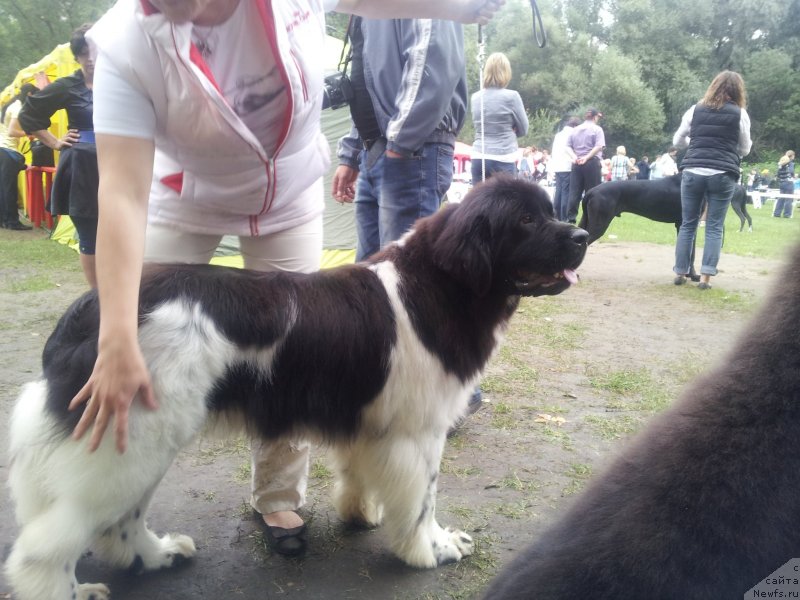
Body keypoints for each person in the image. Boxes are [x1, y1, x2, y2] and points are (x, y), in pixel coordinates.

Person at [72, 0, 502, 560]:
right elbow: (121, 195)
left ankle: (277, 496)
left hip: (288, 198)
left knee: (304, 354)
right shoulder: (123, 45)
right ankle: (112, 518)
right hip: (184, 199)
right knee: (144, 361)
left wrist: (464, 7)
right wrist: (116, 337)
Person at [332, 16, 484, 425]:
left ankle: (443, 395)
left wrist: (401, 141)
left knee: (417, 284)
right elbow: (364, 78)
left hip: (411, 147)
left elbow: (433, 61)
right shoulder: (366, 7)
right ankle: (379, 384)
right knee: (371, 282)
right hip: (378, 146)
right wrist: (352, 153)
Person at [19, 25, 98, 286]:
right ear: (76, 56)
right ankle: (98, 297)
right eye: (84, 53)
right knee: (89, 237)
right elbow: (28, 115)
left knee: (121, 234)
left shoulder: (121, 82)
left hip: (118, 167)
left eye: (96, 51)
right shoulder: (68, 85)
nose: (92, 58)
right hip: (82, 169)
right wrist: (54, 142)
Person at [672, 70, 751, 290]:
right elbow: (745, 149)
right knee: (714, 226)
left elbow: (677, 140)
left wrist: (696, 144)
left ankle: (680, 272)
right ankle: (706, 277)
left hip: (693, 170)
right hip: (723, 173)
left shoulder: (694, 110)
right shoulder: (740, 114)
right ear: (738, 91)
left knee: (688, 223)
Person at [468, 52, 528, 183]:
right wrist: (511, 130)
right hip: (503, 157)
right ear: (506, 72)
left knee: (478, 202)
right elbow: (524, 129)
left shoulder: (475, 97)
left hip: (479, 156)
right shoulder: (512, 97)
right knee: (506, 202)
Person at [0, 83, 37, 230]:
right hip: (9, 151)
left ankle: (3, 219)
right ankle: (13, 222)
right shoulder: (18, 107)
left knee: (3, 187)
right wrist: (30, 134)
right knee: (9, 188)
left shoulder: (10, 105)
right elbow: (12, 132)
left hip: (2, 149)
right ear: (29, 95)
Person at [565, 107, 605, 224]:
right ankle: (591, 218)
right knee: (593, 192)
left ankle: (571, 219)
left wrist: (574, 157)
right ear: (594, 117)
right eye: (598, 117)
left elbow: (567, 146)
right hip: (591, 163)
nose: (598, 119)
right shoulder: (597, 129)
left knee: (574, 192)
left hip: (577, 163)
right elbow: (598, 146)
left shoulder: (575, 129)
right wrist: (586, 157)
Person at [549, 116, 579, 221]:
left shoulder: (558, 135)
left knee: (558, 193)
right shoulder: (573, 134)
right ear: (575, 126)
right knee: (566, 193)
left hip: (557, 166)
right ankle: (564, 217)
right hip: (568, 166)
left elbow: (553, 152)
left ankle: (555, 215)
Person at [773, 153, 795, 218]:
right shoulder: (789, 165)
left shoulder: (780, 166)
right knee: (789, 199)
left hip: (781, 183)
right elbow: (791, 172)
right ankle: (787, 214)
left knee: (781, 198)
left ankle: (777, 213)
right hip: (788, 183)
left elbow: (778, 175)